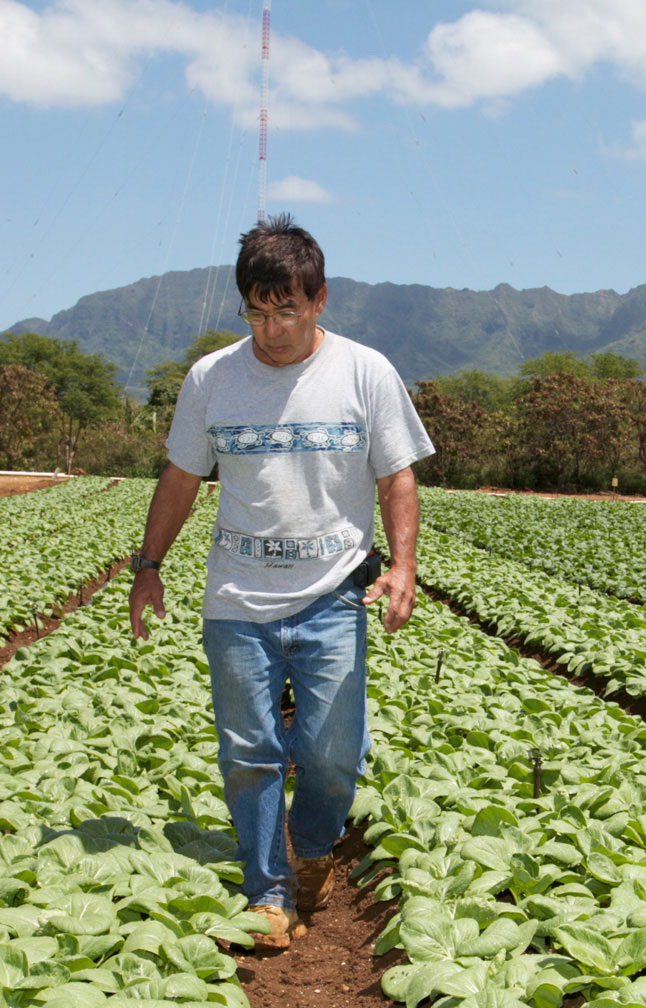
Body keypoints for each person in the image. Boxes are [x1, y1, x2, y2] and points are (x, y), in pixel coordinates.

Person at [129, 214, 434, 950]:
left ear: (319, 299)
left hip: (332, 594)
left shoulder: (365, 372)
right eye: (257, 312)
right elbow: (179, 478)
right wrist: (148, 568)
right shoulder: (212, 379)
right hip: (236, 598)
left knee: (332, 753)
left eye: (287, 310)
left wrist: (402, 566)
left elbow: (398, 478)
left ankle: (315, 842)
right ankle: (266, 891)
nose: (272, 329)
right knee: (249, 752)